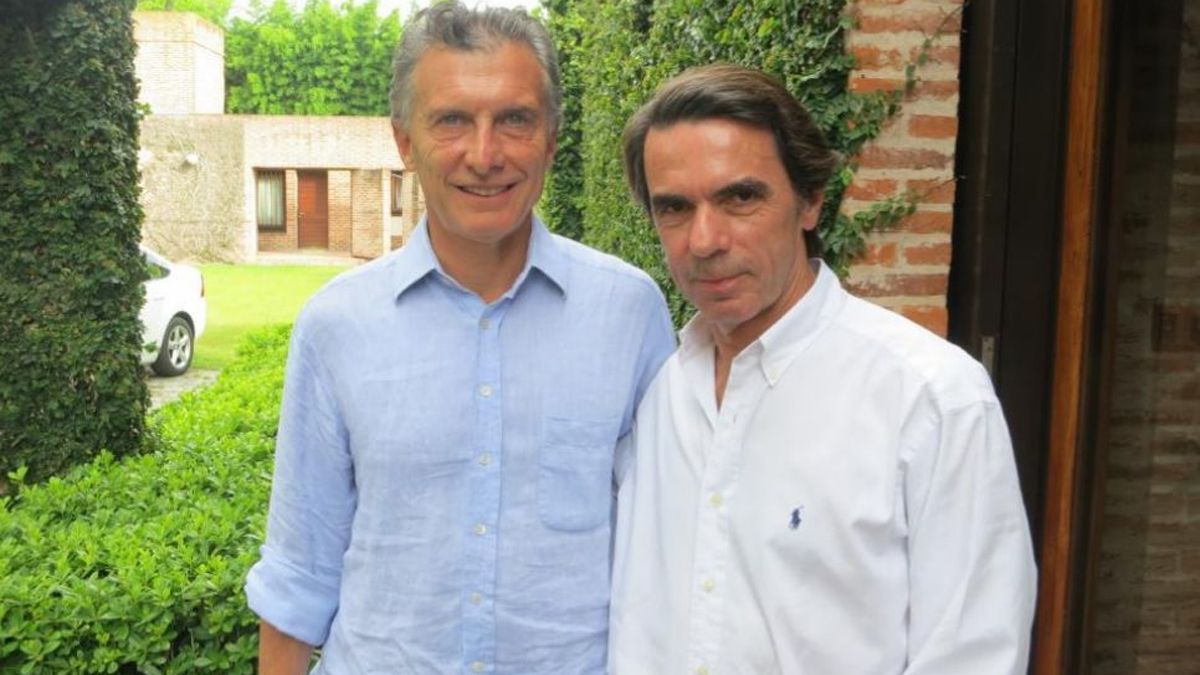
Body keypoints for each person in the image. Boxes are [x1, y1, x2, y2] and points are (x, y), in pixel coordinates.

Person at [244, 4, 675, 673]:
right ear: (404, 142)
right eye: (451, 120)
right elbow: (299, 571)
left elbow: (669, 551)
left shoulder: (630, 313)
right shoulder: (336, 325)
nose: (484, 155)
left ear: (552, 140)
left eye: (515, 120)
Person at [608, 64, 1037, 674]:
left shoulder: (930, 398)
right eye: (674, 208)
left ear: (810, 200)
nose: (704, 240)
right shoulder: (660, 398)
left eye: (740, 197)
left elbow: (973, 656)